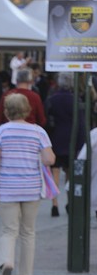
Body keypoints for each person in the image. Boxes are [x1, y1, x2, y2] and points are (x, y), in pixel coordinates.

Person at [0, 92, 55, 275]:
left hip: (8, 189)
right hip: (32, 188)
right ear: (27, 110)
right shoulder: (38, 132)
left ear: (6, 111)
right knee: (28, 231)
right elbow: (49, 159)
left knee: (9, 230)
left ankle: (7, 262)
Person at [46, 72, 83, 216]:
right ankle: (69, 202)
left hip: (54, 139)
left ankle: (54, 205)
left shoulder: (52, 99)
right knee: (69, 173)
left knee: (54, 173)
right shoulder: (75, 100)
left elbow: (46, 120)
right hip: (71, 141)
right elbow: (80, 124)